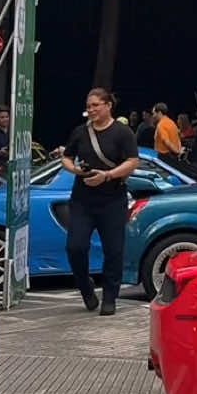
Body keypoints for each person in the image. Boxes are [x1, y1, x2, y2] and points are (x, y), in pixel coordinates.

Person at [61, 88, 140, 314]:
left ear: (108, 106)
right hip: (82, 200)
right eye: (88, 106)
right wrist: (75, 170)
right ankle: (85, 288)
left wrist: (107, 175)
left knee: (113, 250)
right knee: (75, 247)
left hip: (112, 199)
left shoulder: (122, 133)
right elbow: (66, 156)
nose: (91, 110)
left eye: (96, 105)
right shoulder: (80, 132)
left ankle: (109, 297)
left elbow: (132, 161)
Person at [152, 102, 183, 167]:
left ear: (159, 113)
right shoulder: (172, 122)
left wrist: (177, 151)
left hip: (163, 158)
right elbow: (178, 137)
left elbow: (166, 141)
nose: (153, 116)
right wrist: (178, 150)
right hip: (172, 157)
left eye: (154, 113)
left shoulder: (161, 125)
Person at [0, 108, 10, 173]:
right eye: (2, 117)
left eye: (7, 117)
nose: (5, 119)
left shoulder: (12, 133)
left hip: (9, 170)